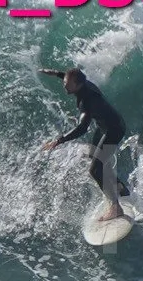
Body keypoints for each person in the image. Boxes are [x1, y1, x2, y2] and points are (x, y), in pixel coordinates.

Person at [40, 67, 131, 221]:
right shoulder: (84, 83)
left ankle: (116, 208)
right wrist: (53, 72)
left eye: (67, 84)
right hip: (106, 126)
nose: (64, 86)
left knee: (95, 170)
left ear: (78, 85)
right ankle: (118, 186)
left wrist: (59, 140)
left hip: (113, 130)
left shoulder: (86, 102)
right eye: (64, 82)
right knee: (95, 155)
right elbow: (66, 77)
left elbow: (82, 128)